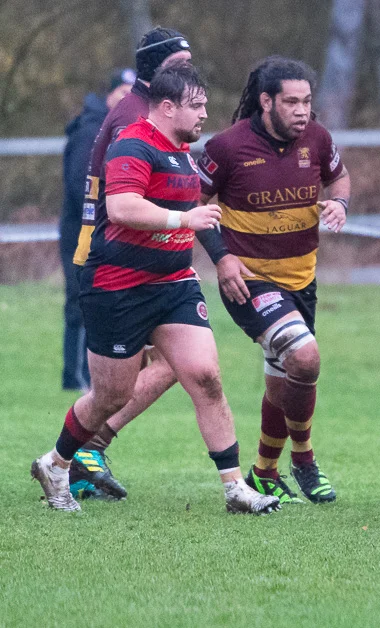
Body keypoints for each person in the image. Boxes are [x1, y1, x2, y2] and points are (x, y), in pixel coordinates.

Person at [29, 63, 279, 515]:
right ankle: (56, 462)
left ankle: (235, 488)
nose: (206, 114)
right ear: (167, 107)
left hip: (173, 283)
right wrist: (185, 220)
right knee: (112, 395)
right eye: (197, 106)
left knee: (205, 376)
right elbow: (122, 206)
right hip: (116, 287)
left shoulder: (183, 151)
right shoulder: (133, 145)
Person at [65, 27, 233, 501]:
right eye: (180, 63)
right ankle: (80, 451)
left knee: (184, 366)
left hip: (156, 266)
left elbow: (182, 190)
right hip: (119, 265)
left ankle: (85, 450)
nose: (189, 73)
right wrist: (217, 253)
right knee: (124, 383)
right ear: (156, 70)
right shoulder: (137, 121)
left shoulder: (159, 115)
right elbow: (134, 203)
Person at [198, 56, 350, 504]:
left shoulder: (318, 139)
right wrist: (222, 259)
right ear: (266, 102)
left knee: (283, 379)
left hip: (302, 280)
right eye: (292, 102)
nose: (303, 111)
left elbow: (339, 179)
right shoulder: (227, 147)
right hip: (249, 281)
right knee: (304, 358)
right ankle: (303, 458)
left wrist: (341, 204)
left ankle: (264, 471)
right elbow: (195, 205)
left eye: (307, 101)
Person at [61, 69, 135, 391]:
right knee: (81, 301)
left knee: (105, 300)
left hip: (104, 229)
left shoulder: (120, 129)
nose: (127, 99)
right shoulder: (91, 130)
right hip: (83, 229)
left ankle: (95, 377)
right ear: (110, 94)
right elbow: (81, 184)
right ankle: (74, 377)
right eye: (122, 92)